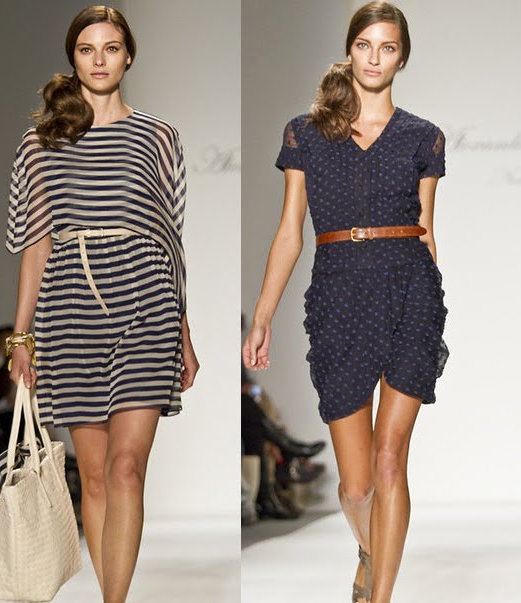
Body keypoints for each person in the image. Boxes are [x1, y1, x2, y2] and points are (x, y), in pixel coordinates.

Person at [241, 2, 447, 602]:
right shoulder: (305, 133)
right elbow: (290, 232)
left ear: (402, 57)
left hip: (410, 293)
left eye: (388, 47)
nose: (375, 58)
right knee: (356, 487)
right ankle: (369, 549)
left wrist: (433, 308)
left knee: (390, 462)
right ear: (350, 49)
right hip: (338, 298)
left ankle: (379, 596)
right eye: (365, 45)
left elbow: (427, 231)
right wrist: (262, 316)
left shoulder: (423, 136)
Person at [4, 6, 199, 602]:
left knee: (126, 468)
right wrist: (21, 337)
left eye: (111, 48)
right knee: (92, 475)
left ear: (128, 55)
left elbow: (171, 237)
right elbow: (36, 244)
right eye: (87, 50)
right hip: (69, 307)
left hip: (147, 300)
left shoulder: (158, 136)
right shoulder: (42, 142)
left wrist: (184, 333)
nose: (99, 60)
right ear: (73, 58)